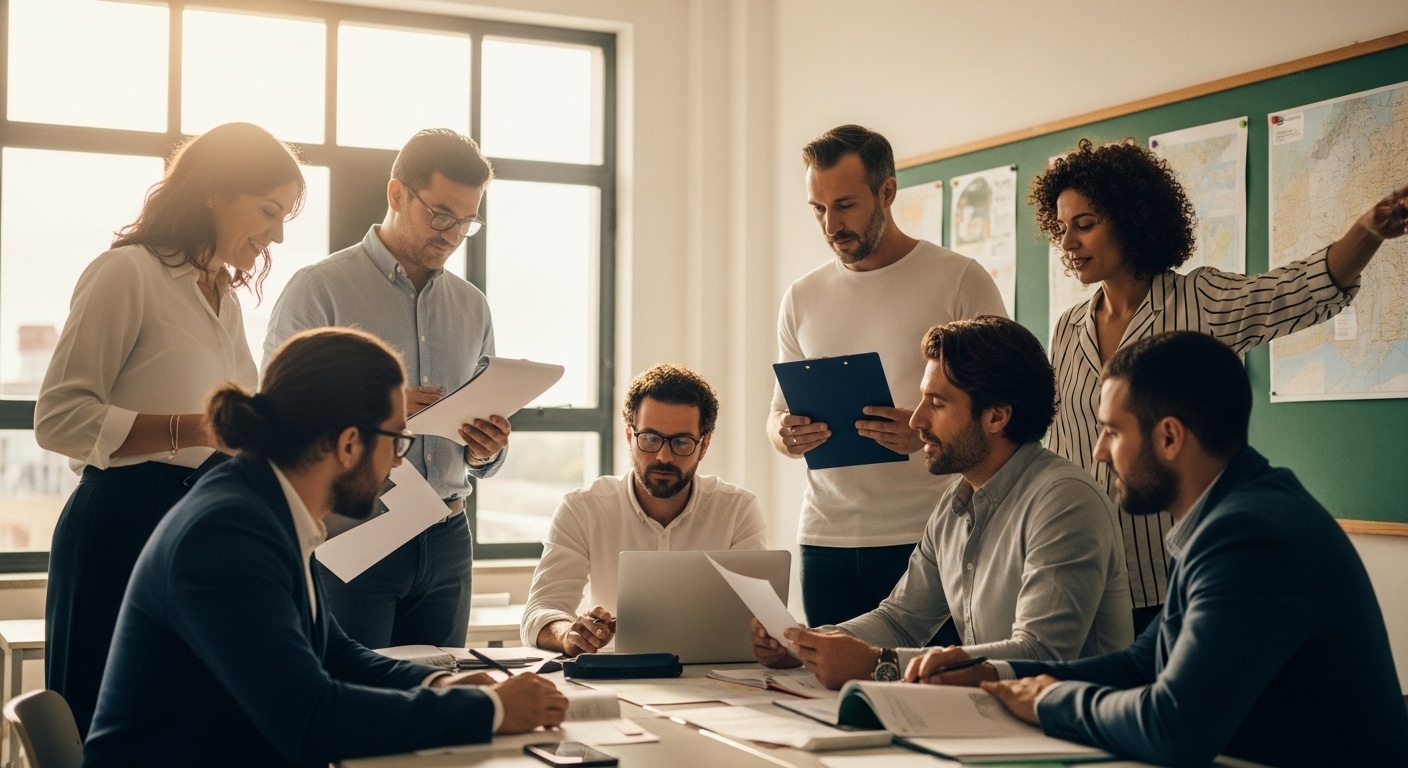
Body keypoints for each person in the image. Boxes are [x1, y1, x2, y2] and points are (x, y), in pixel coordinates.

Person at [910, 331, 1408, 768]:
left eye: (1111, 431)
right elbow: (1141, 663)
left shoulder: (1251, 537)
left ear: (1169, 437)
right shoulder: (1231, 514)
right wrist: (994, 674)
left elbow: (1175, 727)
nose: (1100, 452)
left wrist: (1048, 699)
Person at [84, 328, 568, 767]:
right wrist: (491, 709)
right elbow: (311, 721)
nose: (399, 464)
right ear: (350, 443)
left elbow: (333, 653)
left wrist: (439, 684)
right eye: (398, 441)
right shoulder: (227, 533)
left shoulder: (264, 505)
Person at [1038, 139, 1408, 629]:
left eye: (1085, 225)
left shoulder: (1202, 301)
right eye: (1062, 229)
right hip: (1085, 574)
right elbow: (1061, 446)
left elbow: (1300, 290)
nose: (1068, 243)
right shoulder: (1068, 328)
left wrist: (1368, 231)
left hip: (1181, 578)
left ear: (1132, 220)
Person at [34, 122, 305, 735]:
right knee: (101, 719)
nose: (278, 234)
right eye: (268, 210)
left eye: (285, 217)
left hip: (200, 525)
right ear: (214, 191)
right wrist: (198, 429)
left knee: (181, 724)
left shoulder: (225, 299)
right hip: (120, 525)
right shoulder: (125, 273)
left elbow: (242, 419)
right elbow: (58, 417)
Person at [752, 317, 1131, 689]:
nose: (916, 419)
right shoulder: (956, 501)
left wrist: (879, 665)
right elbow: (901, 620)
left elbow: (1042, 652)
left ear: (997, 416)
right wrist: (806, 643)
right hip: (997, 723)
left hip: (1072, 735)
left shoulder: (1064, 501)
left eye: (937, 403)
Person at [264, 128, 509, 649]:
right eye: (441, 214)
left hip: (448, 535)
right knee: (354, 710)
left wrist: (487, 450)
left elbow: (481, 433)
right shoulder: (320, 289)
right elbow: (277, 420)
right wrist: (385, 409)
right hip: (355, 531)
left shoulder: (472, 307)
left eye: (467, 221)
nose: (451, 233)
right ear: (397, 194)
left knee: (442, 704)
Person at [770, 124, 1008, 629]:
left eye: (846, 205)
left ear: (888, 192)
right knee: (833, 698)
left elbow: (1005, 409)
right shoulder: (802, 296)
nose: (831, 224)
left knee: (929, 696)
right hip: (825, 540)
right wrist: (784, 434)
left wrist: (925, 432)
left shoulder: (960, 280)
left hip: (931, 535)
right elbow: (776, 414)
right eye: (819, 209)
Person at [522, 364, 768, 655]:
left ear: (704, 445)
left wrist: (771, 642)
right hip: (620, 675)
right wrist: (569, 634)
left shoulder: (737, 510)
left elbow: (759, 618)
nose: (664, 456)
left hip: (712, 674)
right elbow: (540, 611)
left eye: (681, 442)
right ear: (629, 436)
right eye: (650, 438)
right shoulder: (583, 509)